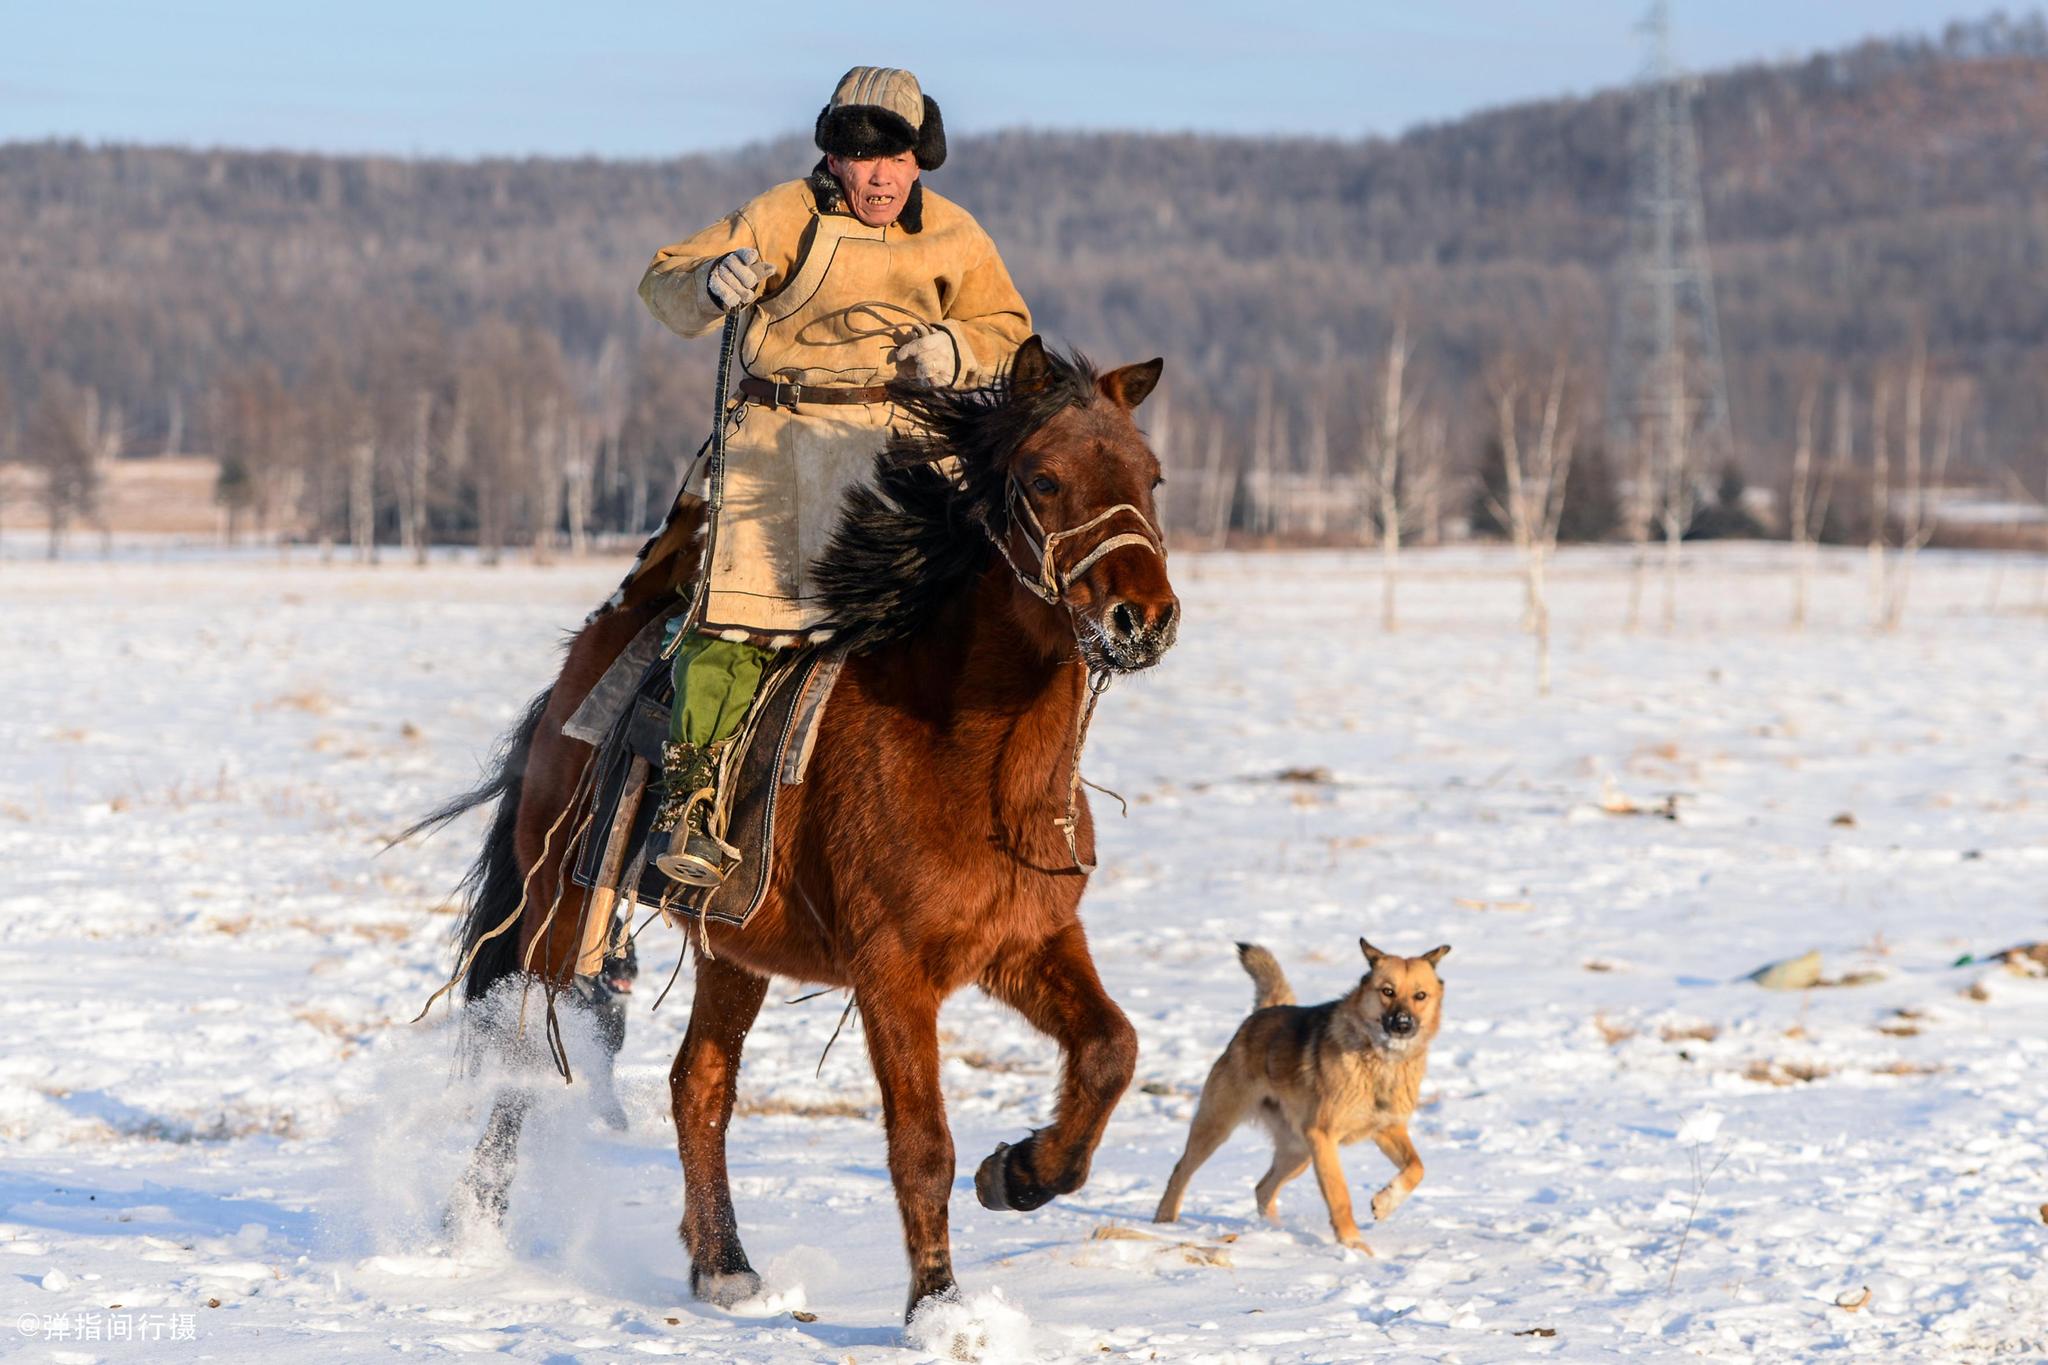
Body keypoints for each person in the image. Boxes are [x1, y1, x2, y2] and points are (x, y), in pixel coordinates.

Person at [629, 66, 1033, 888]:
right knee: (742, 617)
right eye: (862, 156)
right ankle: (692, 803)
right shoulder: (781, 214)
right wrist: (711, 283)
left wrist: (957, 350)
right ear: (834, 156)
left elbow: (1010, 329)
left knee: (989, 608)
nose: (881, 175)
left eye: (897, 157)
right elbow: (662, 280)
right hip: (784, 438)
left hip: (906, 446)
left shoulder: (955, 234)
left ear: (922, 157)